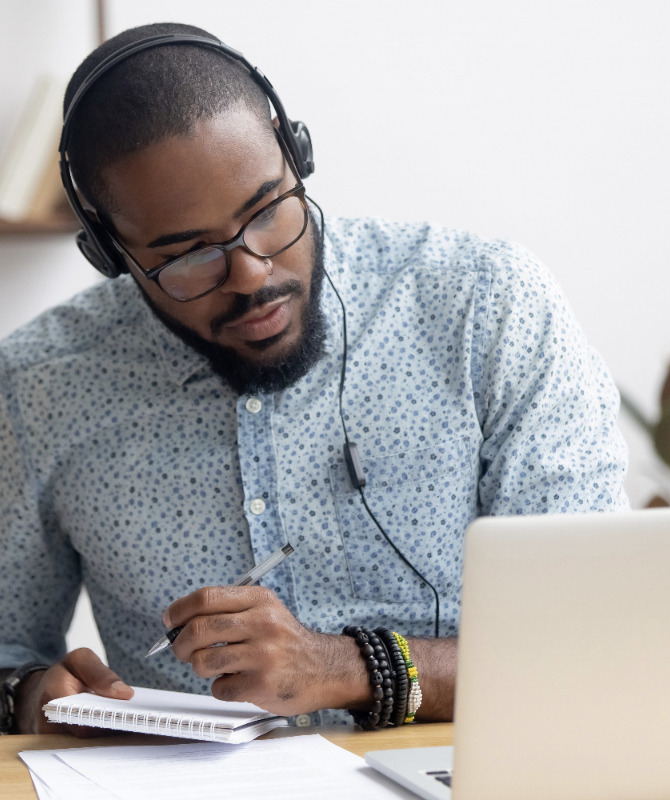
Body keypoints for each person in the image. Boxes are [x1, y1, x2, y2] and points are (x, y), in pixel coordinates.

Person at [0, 22, 629, 736]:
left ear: (293, 152)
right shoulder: (35, 387)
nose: (252, 274)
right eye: (187, 257)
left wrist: (345, 668)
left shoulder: (488, 307)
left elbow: (595, 637)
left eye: (268, 212)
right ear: (109, 252)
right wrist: (28, 695)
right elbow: (6, 656)